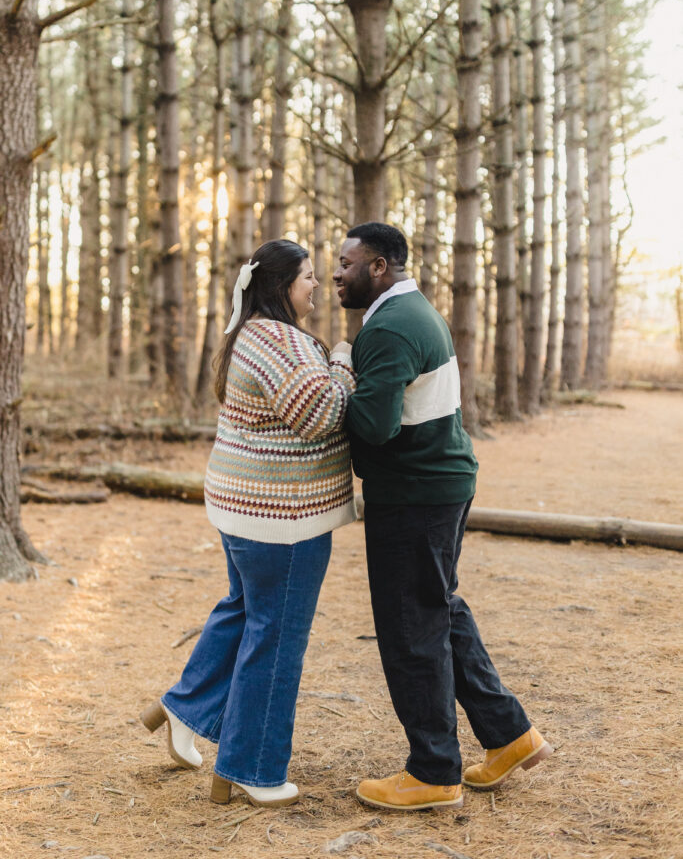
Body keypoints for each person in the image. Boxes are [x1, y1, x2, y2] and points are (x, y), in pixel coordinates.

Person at [333, 221, 552, 812]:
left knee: (410, 630)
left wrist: (339, 377)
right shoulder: (414, 314)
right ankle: (509, 735)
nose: (336, 273)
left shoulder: (389, 328)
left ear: (379, 267)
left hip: (414, 495)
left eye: (347, 263)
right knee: (437, 610)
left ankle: (432, 771)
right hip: (440, 485)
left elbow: (372, 427)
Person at [141, 240, 356, 808]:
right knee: (277, 636)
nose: (317, 285)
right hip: (279, 520)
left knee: (246, 614)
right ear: (282, 285)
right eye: (308, 276)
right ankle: (251, 769)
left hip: (245, 510)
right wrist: (341, 360)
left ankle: (184, 707)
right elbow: (320, 414)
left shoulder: (254, 333)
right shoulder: (279, 340)